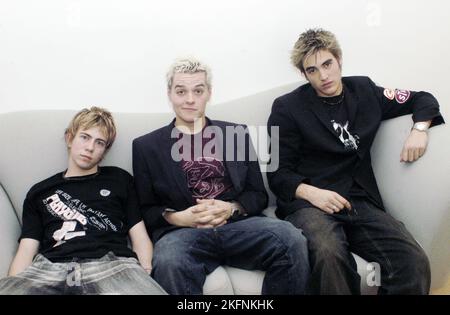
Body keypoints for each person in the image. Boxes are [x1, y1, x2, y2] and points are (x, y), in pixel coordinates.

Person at [267, 28, 445, 295]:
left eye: (327, 64)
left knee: (413, 261)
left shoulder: (364, 90)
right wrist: (312, 193)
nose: (323, 76)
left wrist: (419, 129)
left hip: (359, 200)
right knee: (329, 256)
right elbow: (278, 173)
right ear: (304, 75)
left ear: (339, 59)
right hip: (310, 204)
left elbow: (422, 99)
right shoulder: (287, 108)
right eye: (312, 70)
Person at [132, 57, 310, 295]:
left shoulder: (235, 134)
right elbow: (146, 209)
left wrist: (231, 208)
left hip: (238, 226)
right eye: (181, 91)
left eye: (198, 90)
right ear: (169, 93)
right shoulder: (146, 146)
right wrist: (180, 218)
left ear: (209, 93)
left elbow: (258, 195)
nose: (190, 99)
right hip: (183, 234)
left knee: (291, 239)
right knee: (168, 261)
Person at [0, 107, 166, 295]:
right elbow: (27, 250)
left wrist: (143, 274)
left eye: (99, 142)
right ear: (70, 138)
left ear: (104, 150)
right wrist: (14, 284)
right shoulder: (39, 192)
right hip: (51, 267)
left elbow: (139, 236)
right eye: (85, 137)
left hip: (111, 265)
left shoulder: (120, 179)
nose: (90, 147)